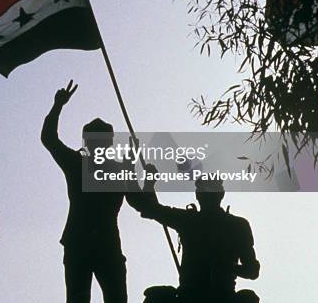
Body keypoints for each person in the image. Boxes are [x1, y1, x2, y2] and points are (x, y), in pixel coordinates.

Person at [41, 80, 128, 303]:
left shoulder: (81, 165)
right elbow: (49, 139)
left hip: (86, 244)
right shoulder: (83, 165)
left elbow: (49, 139)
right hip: (95, 244)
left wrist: (58, 106)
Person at [128, 165, 260, 303]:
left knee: (249, 299)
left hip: (222, 297)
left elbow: (252, 271)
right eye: (203, 190)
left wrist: (223, 266)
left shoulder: (233, 225)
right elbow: (147, 207)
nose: (206, 195)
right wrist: (145, 179)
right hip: (190, 296)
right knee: (157, 297)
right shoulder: (190, 220)